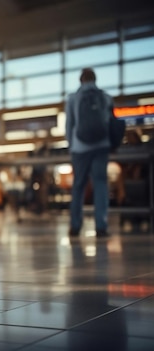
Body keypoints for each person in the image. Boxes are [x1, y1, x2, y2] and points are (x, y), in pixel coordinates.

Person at [65, 68, 113, 237]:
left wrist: (72, 146)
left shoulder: (73, 98)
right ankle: (101, 225)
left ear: (81, 80)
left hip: (80, 148)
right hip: (101, 146)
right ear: (95, 79)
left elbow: (69, 125)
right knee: (100, 184)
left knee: (78, 186)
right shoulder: (105, 97)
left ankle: (75, 225)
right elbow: (109, 122)